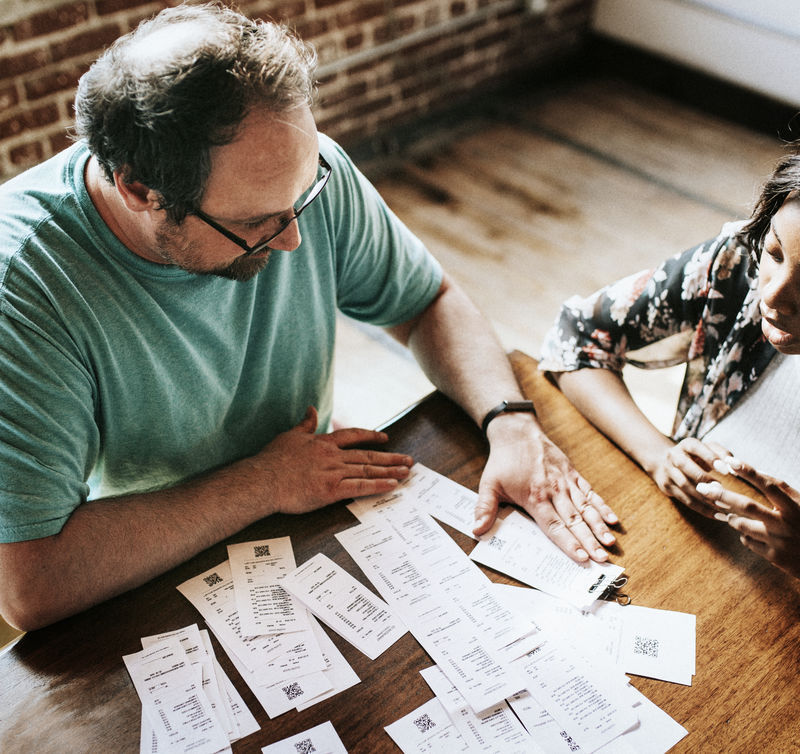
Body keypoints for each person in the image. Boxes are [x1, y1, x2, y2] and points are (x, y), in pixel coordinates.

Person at [0, 3, 618, 631]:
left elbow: (426, 300)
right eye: (254, 223)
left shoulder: (297, 175)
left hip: (310, 499)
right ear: (138, 190)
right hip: (145, 578)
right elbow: (30, 583)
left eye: (302, 198)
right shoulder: (21, 290)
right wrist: (262, 483)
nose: (295, 240)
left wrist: (509, 423)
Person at [540, 143, 800, 581]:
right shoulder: (736, 264)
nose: (773, 297)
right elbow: (577, 336)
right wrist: (659, 455)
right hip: (691, 548)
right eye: (776, 253)